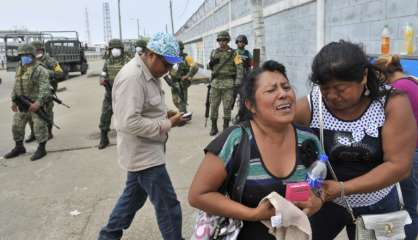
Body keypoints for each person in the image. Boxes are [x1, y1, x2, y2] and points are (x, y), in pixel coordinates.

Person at [294, 40, 417, 240]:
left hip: (378, 202)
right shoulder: (311, 105)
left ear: (363, 77)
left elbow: (399, 166)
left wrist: (342, 188)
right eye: (325, 88)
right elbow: (274, 130)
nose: (332, 96)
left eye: (340, 88)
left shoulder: (392, 104)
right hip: (328, 202)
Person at [189, 60, 324, 239]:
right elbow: (198, 195)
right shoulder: (235, 141)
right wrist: (252, 214)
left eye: (286, 87)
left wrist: (318, 201)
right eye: (271, 90)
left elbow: (319, 184)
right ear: (251, 105)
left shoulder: (309, 139)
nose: (283, 94)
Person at [98, 32, 187, 240]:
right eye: (166, 64)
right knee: (168, 206)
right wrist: (168, 123)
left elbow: (146, 106)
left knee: (131, 200)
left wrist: (167, 113)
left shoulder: (150, 72)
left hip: (146, 151)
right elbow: (128, 122)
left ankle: (107, 236)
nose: (168, 70)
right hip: (144, 155)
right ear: (152, 55)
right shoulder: (133, 78)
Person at [374, 54, 418, 240]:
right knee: (411, 204)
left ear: (382, 75)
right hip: (415, 150)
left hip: (407, 153)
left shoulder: (396, 90)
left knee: (404, 206)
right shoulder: (413, 82)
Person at [3, 44, 51, 161]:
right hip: (22, 104)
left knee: (39, 126)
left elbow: (45, 89)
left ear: (32, 55)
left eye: (26, 55)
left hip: (35, 104)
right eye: (21, 55)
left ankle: (41, 148)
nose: (23, 57)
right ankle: (19, 147)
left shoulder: (40, 69)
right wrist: (14, 100)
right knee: (16, 125)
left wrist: (38, 103)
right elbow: (16, 85)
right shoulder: (21, 68)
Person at [24, 40, 64, 142]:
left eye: (39, 50)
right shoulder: (28, 61)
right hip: (31, 92)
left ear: (42, 50)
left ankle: (49, 132)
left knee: (47, 112)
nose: (37, 53)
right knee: (30, 114)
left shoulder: (51, 61)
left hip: (46, 91)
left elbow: (60, 73)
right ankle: (34, 133)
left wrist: (45, 72)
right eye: (34, 51)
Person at [207, 31, 244, 136]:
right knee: (213, 106)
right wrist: (211, 63)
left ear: (228, 40)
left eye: (224, 40)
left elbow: (239, 68)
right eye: (220, 40)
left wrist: (238, 81)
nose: (222, 42)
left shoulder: (234, 53)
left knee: (227, 106)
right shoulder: (214, 52)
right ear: (218, 41)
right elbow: (209, 67)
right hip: (215, 83)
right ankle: (214, 127)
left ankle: (225, 128)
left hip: (228, 83)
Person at [97, 39, 130, 150]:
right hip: (110, 93)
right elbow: (103, 73)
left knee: (128, 117)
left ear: (121, 49)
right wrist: (102, 79)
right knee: (105, 115)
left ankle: (129, 139)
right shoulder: (108, 61)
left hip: (125, 94)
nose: (115, 51)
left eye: (117, 49)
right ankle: (104, 137)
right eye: (113, 49)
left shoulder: (127, 61)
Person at [168, 40, 198, 113]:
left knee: (182, 101)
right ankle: (183, 112)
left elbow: (195, 67)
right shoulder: (172, 58)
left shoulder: (187, 58)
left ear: (181, 49)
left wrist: (188, 76)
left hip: (182, 83)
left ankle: (183, 115)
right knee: (175, 100)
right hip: (174, 82)